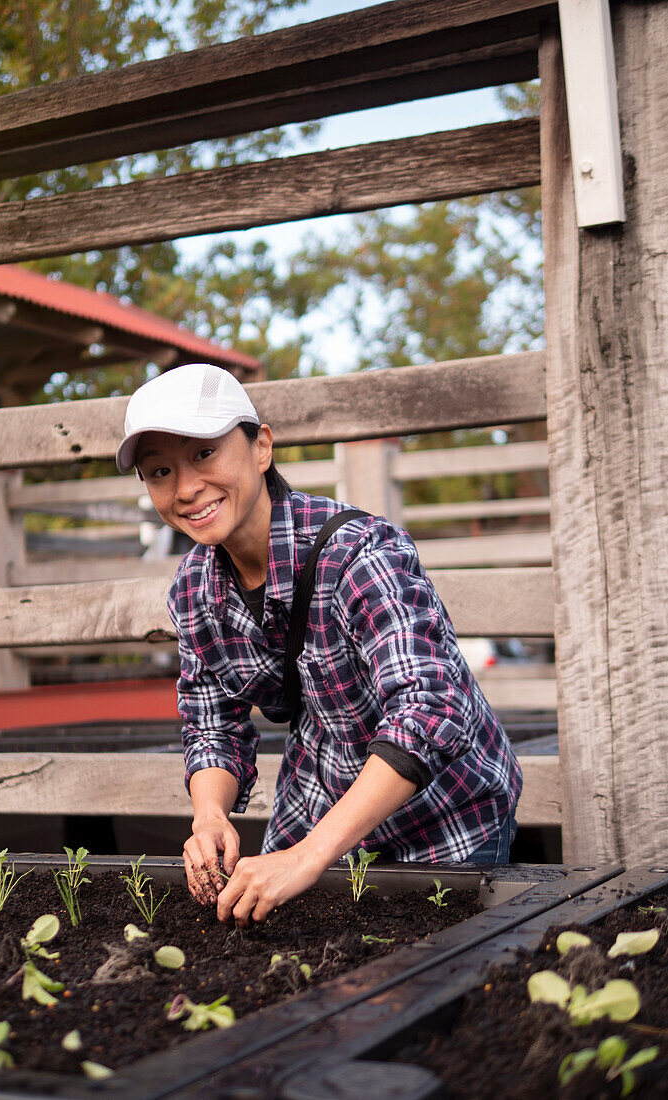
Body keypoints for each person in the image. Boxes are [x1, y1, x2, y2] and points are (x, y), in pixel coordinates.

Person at [116, 363, 522, 927]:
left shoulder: (358, 553)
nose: (186, 489)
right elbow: (213, 723)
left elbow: (428, 712)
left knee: (427, 965)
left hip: (442, 811)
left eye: (204, 454)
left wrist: (306, 857)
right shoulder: (193, 589)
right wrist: (209, 817)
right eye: (160, 471)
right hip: (320, 792)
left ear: (261, 448)